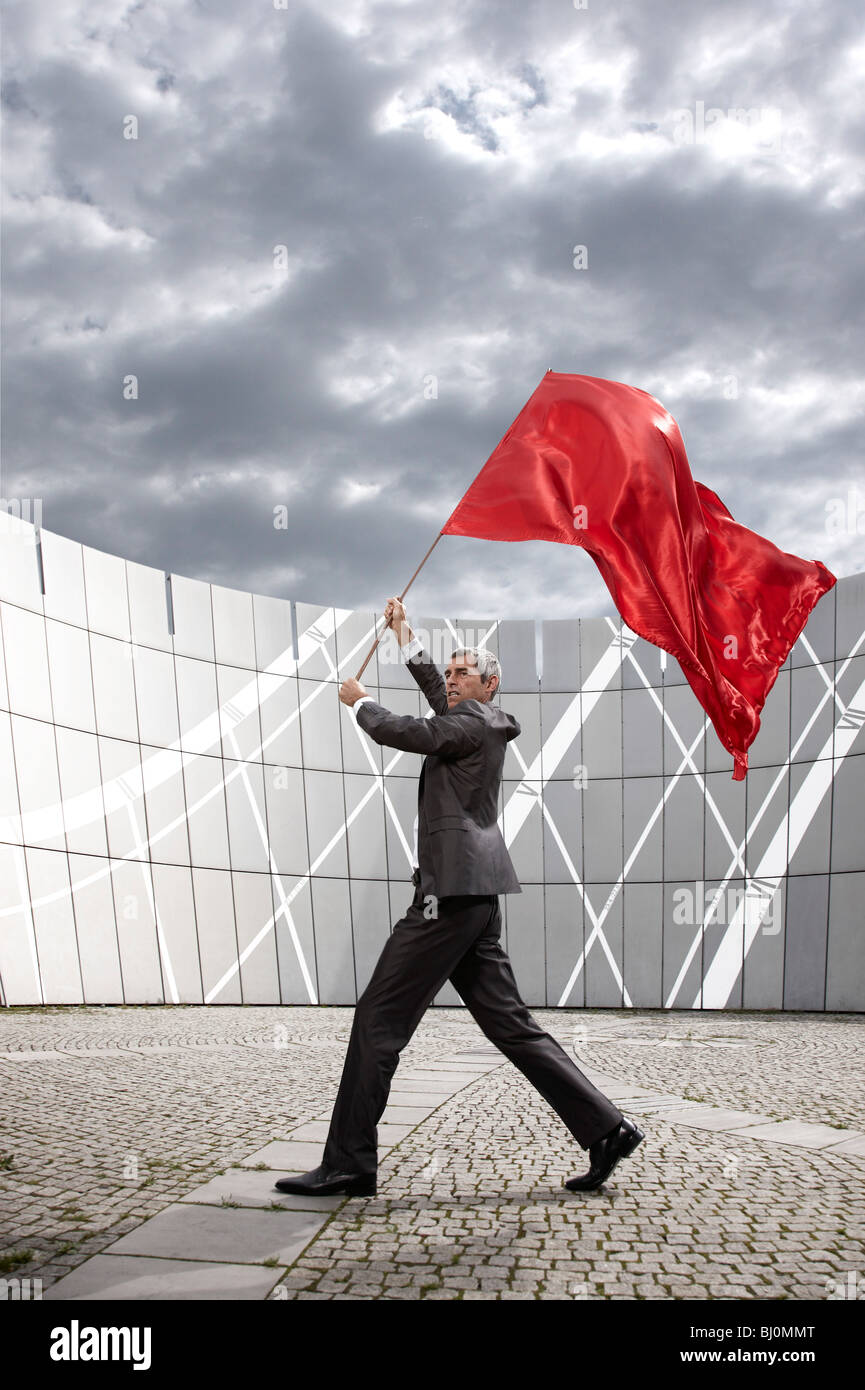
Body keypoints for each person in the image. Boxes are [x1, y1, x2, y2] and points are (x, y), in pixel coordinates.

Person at [274, 597, 644, 1197]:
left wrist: (360, 703)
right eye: (446, 673)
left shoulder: (471, 722)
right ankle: (607, 1130)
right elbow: (436, 703)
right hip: (474, 894)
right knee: (512, 1025)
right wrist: (405, 637)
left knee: (378, 1017)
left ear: (489, 683)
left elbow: (412, 731)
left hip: (445, 896)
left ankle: (349, 1163)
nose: (450, 680)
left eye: (461, 673)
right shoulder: (476, 721)